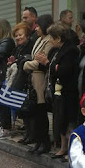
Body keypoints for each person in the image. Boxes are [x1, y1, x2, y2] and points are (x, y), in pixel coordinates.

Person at [41, 22, 80, 159]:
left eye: (51, 37)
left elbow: (64, 70)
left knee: (68, 121)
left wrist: (49, 65)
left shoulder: (71, 50)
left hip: (68, 91)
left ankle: (71, 151)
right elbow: (54, 67)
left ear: (58, 38)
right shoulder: (55, 50)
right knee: (60, 120)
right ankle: (63, 148)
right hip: (57, 90)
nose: (50, 40)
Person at [24, 14, 54, 155]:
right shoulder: (38, 40)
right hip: (33, 79)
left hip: (41, 80)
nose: (36, 29)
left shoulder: (49, 41)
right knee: (35, 112)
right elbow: (34, 58)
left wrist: (25, 64)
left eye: (38, 26)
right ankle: (38, 141)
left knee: (41, 112)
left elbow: (40, 62)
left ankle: (45, 142)